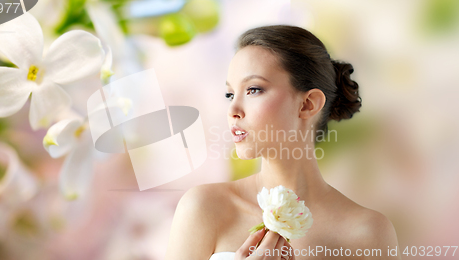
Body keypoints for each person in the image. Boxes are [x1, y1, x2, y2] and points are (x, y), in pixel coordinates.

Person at [165, 25, 400, 260]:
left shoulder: (367, 232)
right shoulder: (204, 208)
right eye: (230, 94)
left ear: (308, 104)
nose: (233, 110)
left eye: (253, 90)